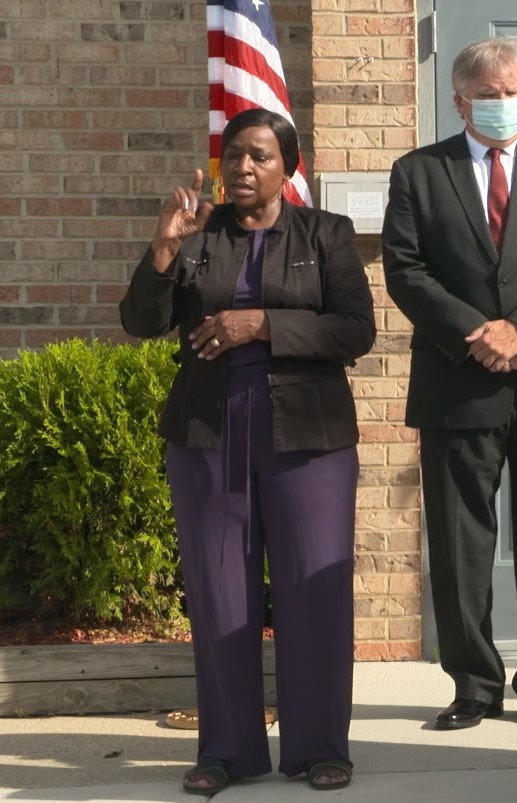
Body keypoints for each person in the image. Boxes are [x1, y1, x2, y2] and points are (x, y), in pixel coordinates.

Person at [119, 108, 375, 793]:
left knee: (311, 588)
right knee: (219, 590)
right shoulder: (199, 236)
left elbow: (355, 329)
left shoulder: (326, 235)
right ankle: (226, 750)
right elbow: (141, 322)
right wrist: (164, 249)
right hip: (209, 433)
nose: (241, 168)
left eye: (259, 156)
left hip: (310, 436)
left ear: (288, 168)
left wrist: (259, 323)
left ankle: (319, 746)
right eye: (232, 156)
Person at [381, 37, 517, 732]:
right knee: (459, 543)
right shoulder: (419, 172)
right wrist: (477, 331)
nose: (502, 103)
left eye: (512, 92)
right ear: (458, 99)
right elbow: (405, 267)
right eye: (488, 93)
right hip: (459, 379)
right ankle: (473, 682)